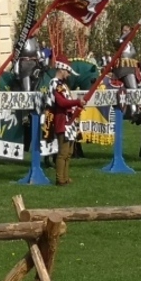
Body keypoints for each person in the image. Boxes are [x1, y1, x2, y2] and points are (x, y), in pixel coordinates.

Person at [50, 55, 84, 186]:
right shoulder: (54, 83)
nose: (69, 75)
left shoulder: (63, 85)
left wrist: (77, 105)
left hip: (69, 121)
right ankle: (60, 179)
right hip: (62, 121)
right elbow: (61, 102)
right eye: (68, 72)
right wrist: (76, 101)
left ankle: (65, 177)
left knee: (69, 152)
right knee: (63, 152)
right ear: (62, 69)